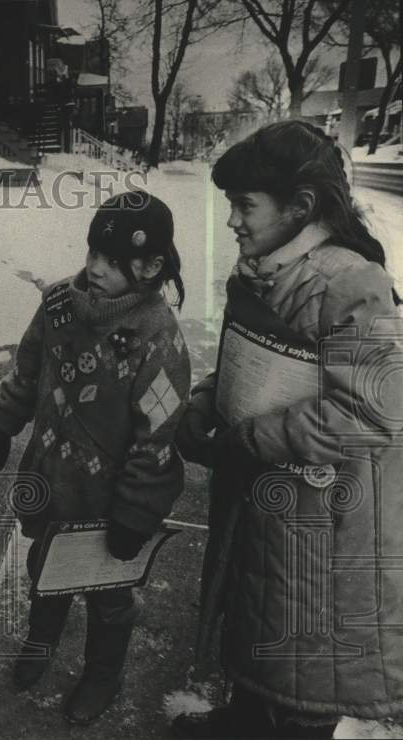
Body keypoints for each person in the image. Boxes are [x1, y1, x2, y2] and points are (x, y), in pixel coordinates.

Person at [173, 120, 403, 738]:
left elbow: (371, 411)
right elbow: (245, 362)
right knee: (255, 615)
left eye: (245, 206)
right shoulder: (266, 271)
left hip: (320, 516)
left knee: (305, 646)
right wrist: (206, 404)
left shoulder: (353, 284)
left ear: (300, 206)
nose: (233, 223)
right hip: (265, 499)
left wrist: (246, 440)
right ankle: (249, 714)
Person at [0, 190, 191, 725]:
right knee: (45, 567)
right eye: (93, 251)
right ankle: (41, 639)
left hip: (109, 502)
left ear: (150, 266)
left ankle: (102, 672)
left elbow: (157, 436)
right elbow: (27, 371)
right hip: (52, 481)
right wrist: (3, 422)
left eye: (112, 261)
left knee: (108, 597)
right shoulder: (56, 306)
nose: (94, 267)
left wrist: (135, 512)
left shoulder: (158, 338)